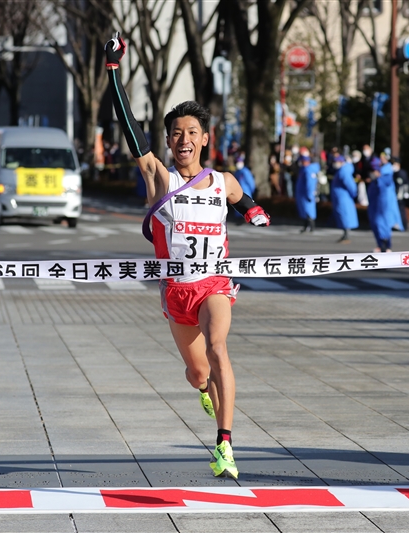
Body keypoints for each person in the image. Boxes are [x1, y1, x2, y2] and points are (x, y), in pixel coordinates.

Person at [105, 33, 270, 480]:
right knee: (199, 372)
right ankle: (201, 386)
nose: (184, 140)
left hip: (214, 285)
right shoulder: (159, 177)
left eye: (192, 133)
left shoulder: (222, 180)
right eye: (176, 133)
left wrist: (253, 210)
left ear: (204, 140)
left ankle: (225, 444)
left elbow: (241, 197)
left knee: (219, 349)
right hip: (176, 292)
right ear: (169, 140)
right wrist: (114, 72)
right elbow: (130, 129)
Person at [366, 152, 401, 252]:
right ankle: (382, 245)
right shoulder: (381, 172)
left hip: (383, 204)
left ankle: (385, 246)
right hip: (376, 203)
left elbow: (384, 182)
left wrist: (377, 178)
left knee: (382, 223)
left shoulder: (387, 172)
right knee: (376, 223)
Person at [330, 155, 358, 243]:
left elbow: (350, 185)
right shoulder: (342, 170)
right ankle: (345, 234)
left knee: (345, 215)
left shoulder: (344, 171)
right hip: (341, 197)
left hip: (343, 198)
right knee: (342, 215)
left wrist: (354, 194)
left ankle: (346, 235)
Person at [295, 154, 318, 233]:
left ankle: (312, 226)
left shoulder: (308, 170)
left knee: (309, 211)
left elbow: (310, 184)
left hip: (306, 194)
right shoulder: (303, 169)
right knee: (304, 211)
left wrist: (309, 194)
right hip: (302, 194)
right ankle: (306, 226)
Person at [392, 157, 409, 231]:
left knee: (401, 210)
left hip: (400, 195)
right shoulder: (394, 173)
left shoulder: (401, 173)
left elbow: (404, 184)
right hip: (395, 195)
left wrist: (405, 193)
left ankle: (403, 225)